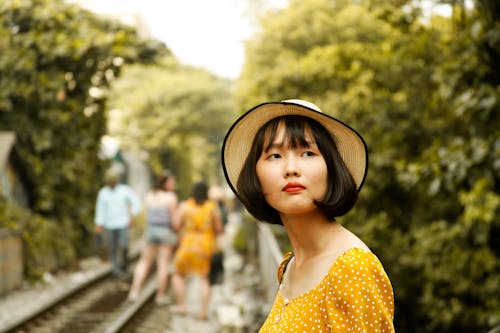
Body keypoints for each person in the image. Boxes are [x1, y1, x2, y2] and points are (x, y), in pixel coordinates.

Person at [221, 99, 395, 332]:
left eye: (307, 152)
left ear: (332, 169)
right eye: (274, 155)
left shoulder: (352, 269)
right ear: (255, 175)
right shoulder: (289, 265)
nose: (291, 168)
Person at [171, 181, 224, 320]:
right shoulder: (212, 207)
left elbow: (176, 226)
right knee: (204, 278)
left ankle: (182, 306)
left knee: (178, 274)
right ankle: (203, 312)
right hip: (205, 246)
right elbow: (219, 229)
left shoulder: (185, 206)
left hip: (187, 244)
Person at [127, 171, 178, 304]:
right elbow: (174, 221)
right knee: (163, 264)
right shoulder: (171, 197)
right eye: (171, 182)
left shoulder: (150, 195)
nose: (173, 184)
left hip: (151, 231)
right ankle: (160, 296)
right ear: (165, 183)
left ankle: (134, 291)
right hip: (165, 231)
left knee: (144, 262)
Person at [94, 169, 141, 279]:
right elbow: (100, 210)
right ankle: (116, 271)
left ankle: (124, 266)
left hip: (123, 223)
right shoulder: (103, 193)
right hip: (109, 225)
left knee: (124, 246)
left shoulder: (124, 191)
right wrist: (98, 224)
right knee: (113, 248)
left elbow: (135, 202)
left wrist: (133, 215)